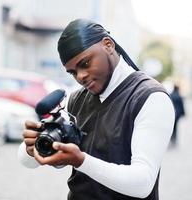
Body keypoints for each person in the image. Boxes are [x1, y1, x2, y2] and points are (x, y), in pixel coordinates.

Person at [18, 19, 175, 200]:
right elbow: (27, 162)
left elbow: (143, 183)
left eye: (85, 63)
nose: (81, 76)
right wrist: (31, 148)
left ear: (108, 45)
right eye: (73, 72)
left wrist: (81, 161)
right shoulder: (75, 99)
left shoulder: (150, 97)